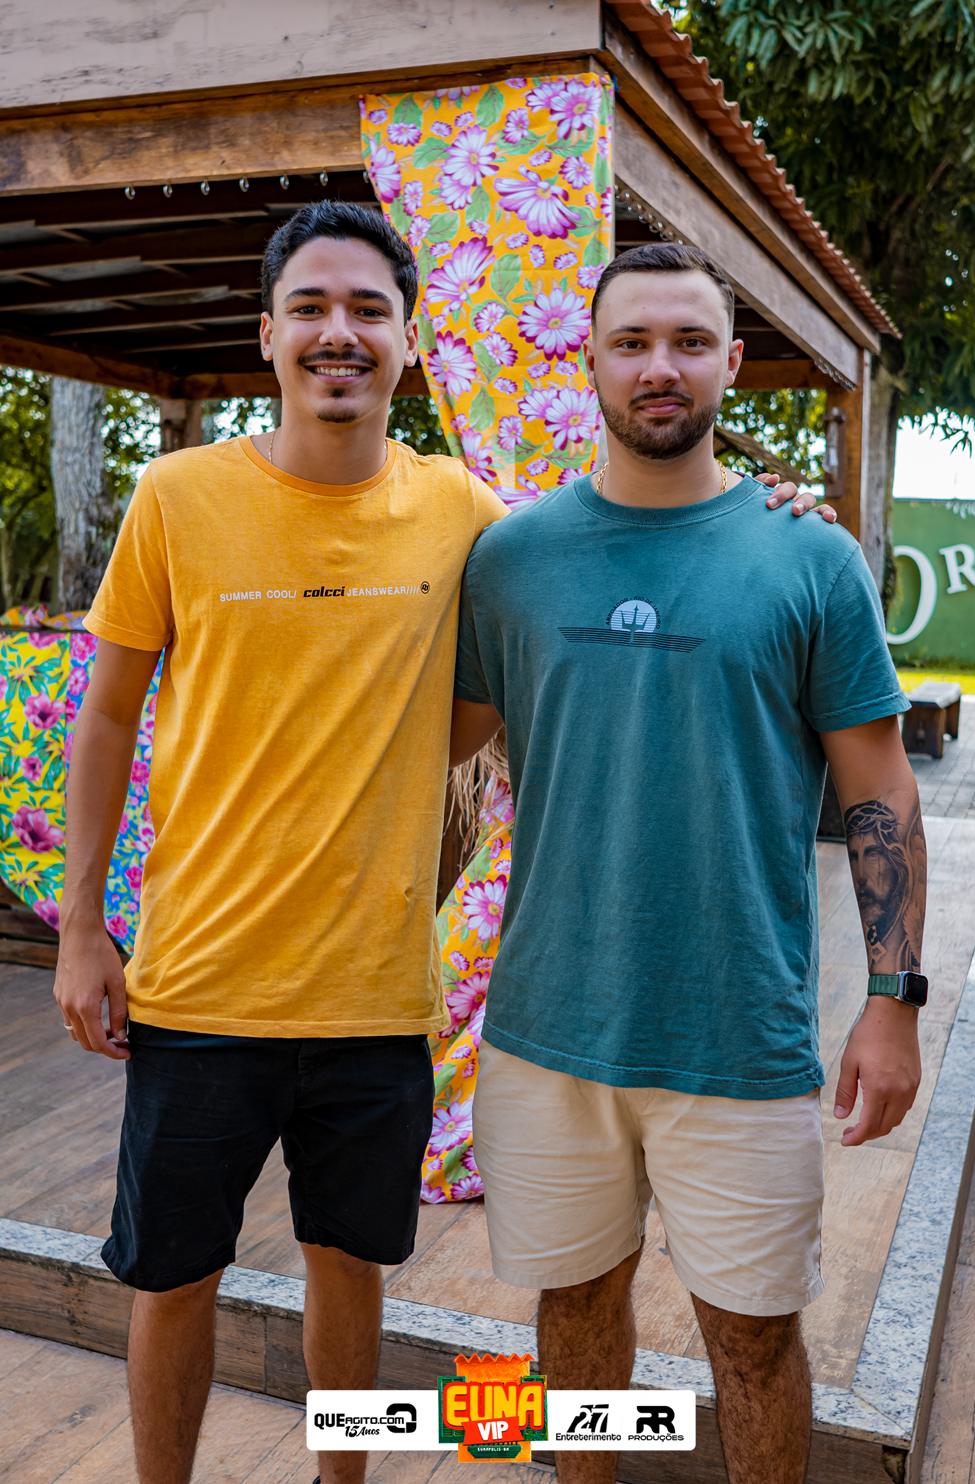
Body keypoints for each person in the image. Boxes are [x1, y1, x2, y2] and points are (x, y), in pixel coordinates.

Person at [53, 201, 827, 1484]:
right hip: (196, 983)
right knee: (172, 1273)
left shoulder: (465, 516)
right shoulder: (178, 496)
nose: (338, 333)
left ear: (408, 342)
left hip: (375, 996)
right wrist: (84, 926)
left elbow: (615, 546)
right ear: (266, 333)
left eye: (368, 310)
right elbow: (107, 712)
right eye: (309, 307)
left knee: (349, 1268)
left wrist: (769, 515)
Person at [450, 242, 927, 1484]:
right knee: (571, 1314)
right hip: (548, 1027)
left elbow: (878, 787)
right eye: (630, 342)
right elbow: (434, 758)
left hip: (737, 1032)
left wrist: (892, 999)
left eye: (687, 341)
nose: (657, 366)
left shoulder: (806, 556)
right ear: (590, 361)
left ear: (729, 360)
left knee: (754, 1341)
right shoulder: (510, 557)